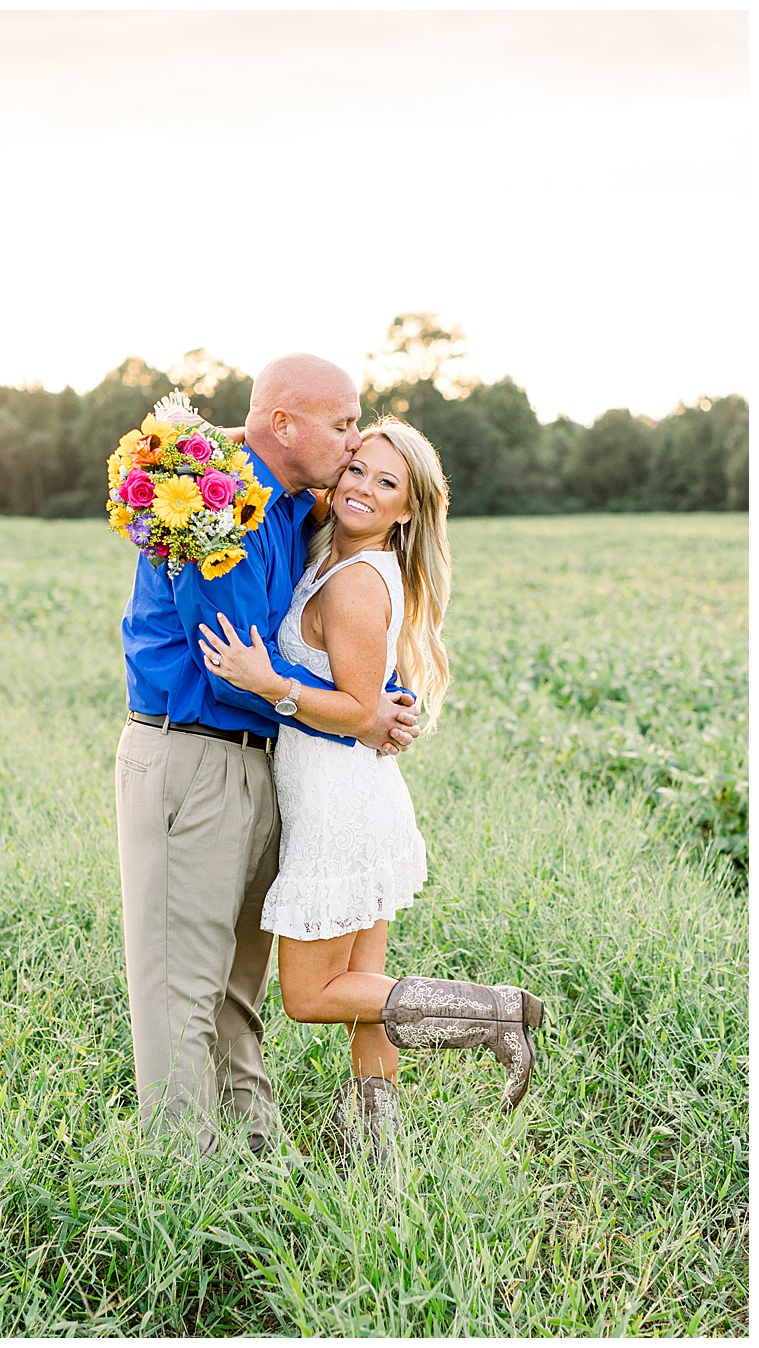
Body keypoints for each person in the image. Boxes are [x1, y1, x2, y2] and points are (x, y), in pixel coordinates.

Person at [196, 417, 543, 1160]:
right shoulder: (340, 553)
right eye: (358, 469)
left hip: (335, 804)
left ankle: (492, 1014)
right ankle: (380, 1161)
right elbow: (370, 698)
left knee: (311, 996)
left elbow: (356, 711)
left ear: (408, 509)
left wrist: (270, 683)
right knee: (366, 994)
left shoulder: (355, 581)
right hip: (358, 792)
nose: (361, 488)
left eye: (388, 484)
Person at [115, 354, 421, 1156]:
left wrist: (378, 699)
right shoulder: (209, 508)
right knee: (183, 989)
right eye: (345, 422)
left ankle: (253, 1159)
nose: (355, 442)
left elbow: (332, 641)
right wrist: (361, 718)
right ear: (284, 425)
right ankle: (183, 1181)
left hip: (267, 765)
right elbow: (240, 667)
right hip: (193, 754)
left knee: (235, 991)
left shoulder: (290, 502)